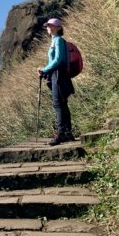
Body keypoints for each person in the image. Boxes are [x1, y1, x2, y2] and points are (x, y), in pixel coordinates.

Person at [38, 18, 75, 146]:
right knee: (62, 103)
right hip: (59, 74)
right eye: (48, 26)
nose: (49, 28)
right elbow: (56, 61)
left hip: (58, 74)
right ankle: (67, 133)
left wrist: (44, 69)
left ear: (59, 27)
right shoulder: (56, 41)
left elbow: (58, 59)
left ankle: (60, 134)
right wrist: (47, 71)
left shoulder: (58, 40)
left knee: (58, 103)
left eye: (52, 26)